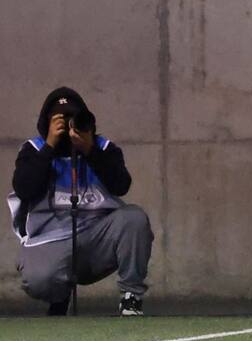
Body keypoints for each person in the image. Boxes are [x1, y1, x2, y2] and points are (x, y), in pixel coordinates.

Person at [8, 87, 153, 316]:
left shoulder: (103, 147)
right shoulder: (34, 149)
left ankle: (131, 297)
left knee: (134, 219)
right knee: (37, 280)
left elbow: (121, 186)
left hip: (97, 237)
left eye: (74, 118)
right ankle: (59, 296)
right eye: (61, 119)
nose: (68, 125)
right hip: (50, 239)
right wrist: (49, 146)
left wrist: (89, 150)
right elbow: (25, 189)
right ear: (47, 121)